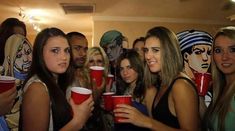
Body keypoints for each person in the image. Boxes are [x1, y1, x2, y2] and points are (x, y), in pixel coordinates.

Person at [114, 26, 200, 131]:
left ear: (169, 51)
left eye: (155, 50)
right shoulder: (161, 83)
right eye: (146, 50)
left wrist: (146, 121)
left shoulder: (180, 85)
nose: (148, 56)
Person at [20, 27, 94, 130]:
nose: (64, 57)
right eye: (55, 50)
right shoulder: (37, 88)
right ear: (40, 54)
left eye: (67, 50)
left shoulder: (57, 82)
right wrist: (78, 121)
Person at [203, 26, 235, 131]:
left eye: (232, 50)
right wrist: (200, 95)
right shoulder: (222, 88)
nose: (225, 57)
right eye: (218, 50)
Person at [177, 30, 213, 118]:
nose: (205, 58)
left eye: (209, 53)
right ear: (185, 56)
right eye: (198, 52)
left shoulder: (211, 89)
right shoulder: (178, 86)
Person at [114, 49, 153, 131]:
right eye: (122, 69)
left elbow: (155, 124)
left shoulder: (148, 91)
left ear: (138, 67)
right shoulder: (123, 90)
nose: (125, 72)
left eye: (129, 67)